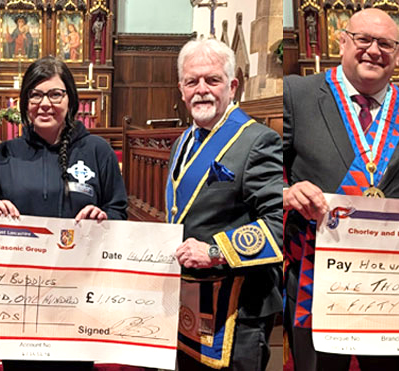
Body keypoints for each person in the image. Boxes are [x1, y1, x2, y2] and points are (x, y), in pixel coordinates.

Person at [281, 8, 399, 371]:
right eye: (363, 40)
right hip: (317, 275)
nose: (373, 50)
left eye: (385, 43)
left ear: (398, 54)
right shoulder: (296, 94)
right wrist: (287, 192)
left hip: (388, 281)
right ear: (342, 42)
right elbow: (266, 174)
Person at [0, 57, 126, 371]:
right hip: (19, 297)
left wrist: (103, 218)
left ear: (71, 99)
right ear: (25, 102)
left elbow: (119, 211)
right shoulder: (4, 154)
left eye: (55, 94)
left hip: (78, 294)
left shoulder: (98, 151)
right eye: (35, 95)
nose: (45, 103)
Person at [166, 37, 285, 371]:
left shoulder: (258, 140)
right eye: (192, 81)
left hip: (239, 310)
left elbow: (278, 223)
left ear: (232, 86)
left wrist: (216, 251)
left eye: (212, 80)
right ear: (181, 88)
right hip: (192, 302)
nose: (201, 89)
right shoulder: (182, 142)